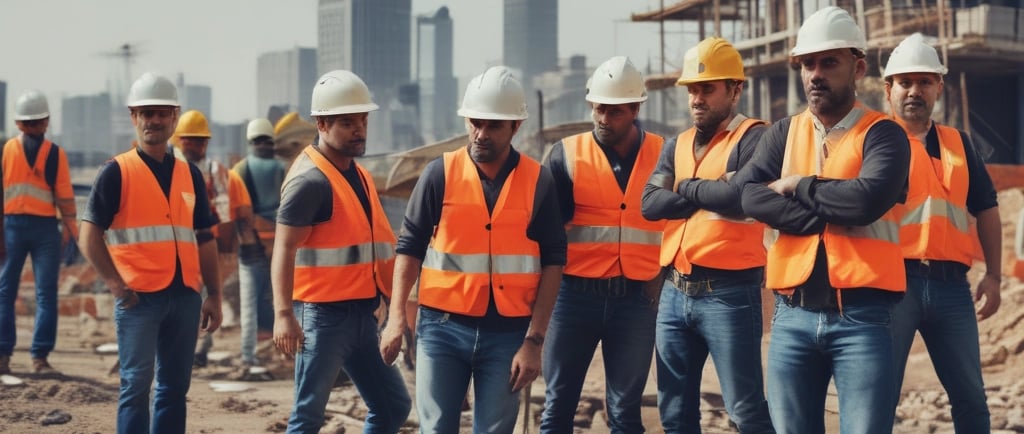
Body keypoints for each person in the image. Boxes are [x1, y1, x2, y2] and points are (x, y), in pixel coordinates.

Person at [730, 7, 912, 433]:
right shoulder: (781, 133)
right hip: (790, 316)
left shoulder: (884, 134)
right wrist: (819, 216)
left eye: (828, 62)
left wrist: (798, 184)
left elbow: (866, 201)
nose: (815, 74)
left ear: (858, 67)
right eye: (807, 64)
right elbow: (748, 195)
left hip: (863, 318)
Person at [379, 66, 566, 434]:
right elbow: (409, 248)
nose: (481, 134)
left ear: (516, 127)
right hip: (442, 329)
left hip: (509, 333)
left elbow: (554, 261)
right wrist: (396, 318)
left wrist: (535, 340)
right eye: (475, 123)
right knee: (435, 428)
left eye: (493, 126)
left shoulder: (538, 181)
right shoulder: (439, 174)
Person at [641, 37, 774, 433]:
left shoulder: (756, 138)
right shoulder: (676, 144)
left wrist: (681, 186)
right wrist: (705, 189)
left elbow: (736, 199)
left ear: (736, 89)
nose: (697, 98)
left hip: (730, 295)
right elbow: (649, 205)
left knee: (745, 408)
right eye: (693, 89)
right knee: (675, 412)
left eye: (707, 88)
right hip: (674, 291)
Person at [78, 72, 223, 434]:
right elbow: (88, 236)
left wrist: (215, 294)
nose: (153, 120)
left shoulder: (190, 175)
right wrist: (116, 286)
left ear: (174, 117)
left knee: (175, 389)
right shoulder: (116, 172)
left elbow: (205, 238)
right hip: (138, 299)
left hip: (186, 296)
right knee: (135, 387)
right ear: (134, 117)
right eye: (146, 113)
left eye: (161, 113)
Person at [271, 69, 411, 434]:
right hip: (323, 319)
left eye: (362, 120)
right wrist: (284, 314)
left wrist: (385, 300)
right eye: (347, 122)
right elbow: (283, 249)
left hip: (363, 316)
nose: (359, 129)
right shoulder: (309, 181)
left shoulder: (357, 174)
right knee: (308, 416)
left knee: (393, 405)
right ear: (321, 123)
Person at [538, 56, 664, 433]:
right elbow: (544, 236)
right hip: (573, 297)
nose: (603, 119)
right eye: (598, 109)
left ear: (635, 109)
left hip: (636, 301)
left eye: (614, 112)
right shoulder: (566, 155)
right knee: (558, 404)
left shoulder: (664, 154)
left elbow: (678, 225)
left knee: (625, 411)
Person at [884, 33, 1001, 432]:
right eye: (905, 82)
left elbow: (986, 208)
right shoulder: (875, 141)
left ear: (939, 87)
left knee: (970, 397)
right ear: (889, 89)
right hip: (893, 284)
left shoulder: (959, 144)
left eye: (925, 81)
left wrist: (995, 275)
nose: (915, 90)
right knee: (879, 394)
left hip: (953, 287)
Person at [0, 89, 78, 375]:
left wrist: (71, 231)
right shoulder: (7, 150)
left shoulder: (55, 154)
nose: (35, 127)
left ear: (46, 122)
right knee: (5, 291)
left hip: (46, 228)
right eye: (29, 123)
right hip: (13, 227)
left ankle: (40, 358)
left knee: (46, 294)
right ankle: (3, 355)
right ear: (20, 124)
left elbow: (66, 197)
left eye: (39, 122)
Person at [172, 110, 238, 368]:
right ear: (181, 140)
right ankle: (178, 347)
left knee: (206, 298)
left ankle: (200, 349)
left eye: (202, 141)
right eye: (192, 140)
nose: (198, 146)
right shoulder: (170, 167)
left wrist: (224, 247)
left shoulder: (213, 170)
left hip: (204, 243)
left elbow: (223, 210)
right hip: (175, 245)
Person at [232, 118, 284, 369]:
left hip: (251, 247)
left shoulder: (240, 171)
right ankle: (288, 352)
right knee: (281, 302)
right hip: (278, 248)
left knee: (250, 305)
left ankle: (248, 356)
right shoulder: (283, 168)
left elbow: (237, 214)